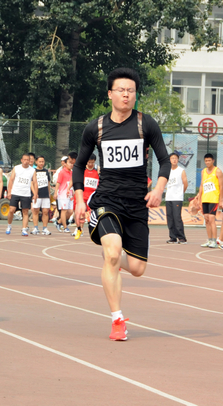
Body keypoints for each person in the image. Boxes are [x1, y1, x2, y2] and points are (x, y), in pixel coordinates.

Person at [73, 67, 171, 341]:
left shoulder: (145, 124)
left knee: (138, 269)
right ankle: (117, 320)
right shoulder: (97, 127)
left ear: (135, 94)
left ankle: (111, 258)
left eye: (130, 91)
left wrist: (159, 188)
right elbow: (79, 166)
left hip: (137, 204)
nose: (126, 95)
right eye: (121, 90)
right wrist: (80, 201)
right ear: (110, 94)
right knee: (113, 252)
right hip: (107, 200)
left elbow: (165, 160)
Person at [195, 153, 223, 248]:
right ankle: (209, 240)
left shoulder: (217, 171)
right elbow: (202, 185)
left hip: (214, 199)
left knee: (211, 219)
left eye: (209, 160)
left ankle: (214, 241)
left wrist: (221, 200)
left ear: (213, 161)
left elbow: (221, 186)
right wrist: (199, 198)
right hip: (205, 199)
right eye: (206, 161)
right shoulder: (203, 171)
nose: (207, 162)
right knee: (206, 219)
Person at [6, 153, 37, 236]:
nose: (26, 161)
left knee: (25, 212)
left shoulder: (32, 170)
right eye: (25, 159)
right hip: (15, 192)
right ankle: (9, 225)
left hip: (26, 194)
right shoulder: (16, 168)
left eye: (28, 160)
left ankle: (24, 229)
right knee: (11, 210)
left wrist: (35, 194)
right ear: (21, 160)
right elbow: (11, 180)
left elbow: (35, 182)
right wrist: (9, 191)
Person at [72, 153, 99, 238]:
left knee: (93, 214)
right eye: (89, 162)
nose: (91, 164)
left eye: (92, 162)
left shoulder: (96, 172)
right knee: (80, 213)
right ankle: (79, 229)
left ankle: (95, 229)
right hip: (83, 195)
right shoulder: (83, 171)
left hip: (92, 196)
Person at [165, 152, 188, 244]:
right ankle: (172, 237)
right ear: (169, 160)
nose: (174, 160)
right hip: (168, 197)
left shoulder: (181, 170)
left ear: (178, 160)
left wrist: (180, 193)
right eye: (172, 158)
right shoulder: (167, 170)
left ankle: (182, 238)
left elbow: (185, 184)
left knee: (177, 217)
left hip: (177, 197)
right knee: (170, 217)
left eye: (176, 158)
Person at [31, 155, 52, 235]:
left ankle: (45, 228)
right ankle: (35, 228)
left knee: (45, 211)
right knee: (35, 211)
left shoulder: (46, 171)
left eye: (42, 161)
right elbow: (31, 183)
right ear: (36, 162)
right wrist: (34, 193)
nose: (41, 163)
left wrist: (49, 193)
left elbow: (48, 183)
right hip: (37, 195)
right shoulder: (33, 171)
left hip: (45, 194)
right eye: (39, 161)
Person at [54, 157, 74, 233]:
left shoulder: (72, 172)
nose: (71, 165)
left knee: (70, 211)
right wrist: (55, 193)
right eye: (69, 163)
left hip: (70, 194)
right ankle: (65, 227)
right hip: (63, 194)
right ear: (65, 164)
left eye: (72, 163)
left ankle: (59, 222)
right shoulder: (62, 172)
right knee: (64, 210)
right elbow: (58, 183)